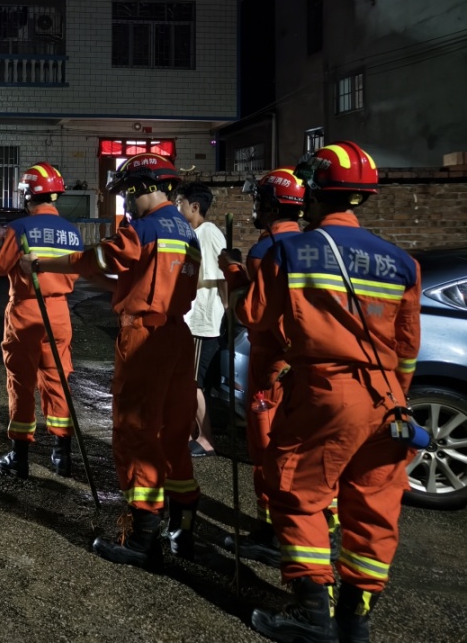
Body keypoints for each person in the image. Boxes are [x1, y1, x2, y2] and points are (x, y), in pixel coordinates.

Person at [224, 142, 421, 643]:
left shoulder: (292, 251)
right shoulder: (401, 263)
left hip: (326, 389)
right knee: (372, 508)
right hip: (388, 401)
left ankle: (313, 614)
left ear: (312, 192)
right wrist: (394, 395)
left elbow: (255, 317)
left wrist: (235, 285)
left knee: (298, 494)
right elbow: (407, 348)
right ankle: (356, 621)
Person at [22, 152, 200, 567]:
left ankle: (142, 538)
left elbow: (98, 258)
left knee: (136, 432)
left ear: (140, 188)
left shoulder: (144, 228)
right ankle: (182, 531)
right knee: (174, 433)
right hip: (177, 335)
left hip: (145, 339)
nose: (124, 204)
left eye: (126, 195)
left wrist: (46, 262)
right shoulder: (184, 231)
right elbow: (129, 274)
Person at [221, 168, 305, 565]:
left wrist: (233, 272)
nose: (254, 206)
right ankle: (322, 528)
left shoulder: (266, 250)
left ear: (270, 205)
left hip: (270, 363)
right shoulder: (310, 246)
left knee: (266, 450)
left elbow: (250, 313)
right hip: (301, 364)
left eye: (259, 200)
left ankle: (272, 534)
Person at [0, 162, 83, 478]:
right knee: (58, 380)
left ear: (28, 194)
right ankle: (62, 455)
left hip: (26, 311)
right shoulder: (72, 231)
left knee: (22, 381)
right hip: (59, 314)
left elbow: (0, 266)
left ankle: (19, 456)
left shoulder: (19, 229)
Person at [175, 181, 227, 457]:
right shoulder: (195, 233)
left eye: (179, 202)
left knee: (193, 384)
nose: (176, 206)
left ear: (195, 207)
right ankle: (192, 433)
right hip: (194, 319)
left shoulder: (207, 234)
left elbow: (217, 278)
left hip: (202, 321)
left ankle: (205, 439)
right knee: (189, 382)